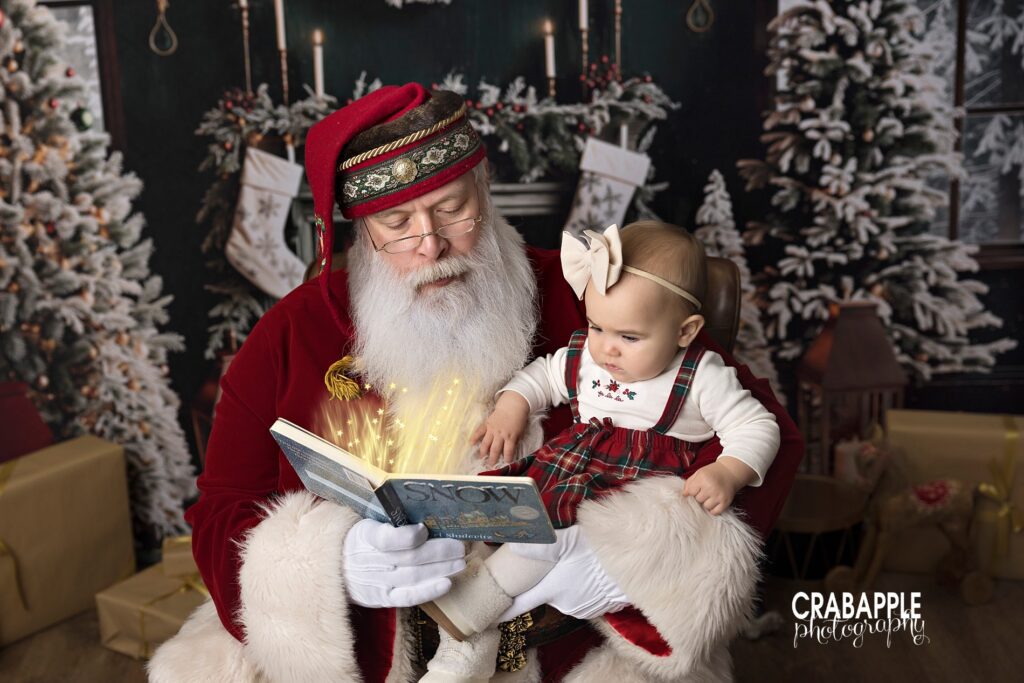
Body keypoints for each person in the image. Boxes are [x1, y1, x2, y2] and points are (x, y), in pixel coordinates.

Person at [148, 84, 804, 683]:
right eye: (397, 223)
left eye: (451, 208)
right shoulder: (292, 333)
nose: (430, 244)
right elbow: (222, 507)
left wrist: (636, 556)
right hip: (372, 650)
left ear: (485, 192)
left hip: (561, 645)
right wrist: (328, 564)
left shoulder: (594, 299)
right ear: (361, 232)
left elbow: (769, 432)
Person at [421, 222, 781, 682]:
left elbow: (756, 424)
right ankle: (467, 642)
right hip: (569, 476)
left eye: (629, 337)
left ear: (685, 331)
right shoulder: (587, 358)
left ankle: (470, 614)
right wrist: (512, 406)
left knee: (548, 544)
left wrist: (729, 471)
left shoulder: (701, 376)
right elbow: (543, 377)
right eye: (596, 326)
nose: (607, 348)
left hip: (627, 503)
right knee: (506, 523)